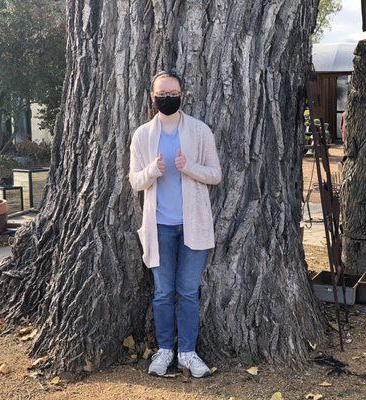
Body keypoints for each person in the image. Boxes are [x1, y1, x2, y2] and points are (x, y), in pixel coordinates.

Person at [128, 70, 222, 378]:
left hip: (193, 226)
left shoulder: (199, 131)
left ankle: (188, 353)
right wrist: (153, 170)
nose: (168, 99)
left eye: (173, 93)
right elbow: (135, 181)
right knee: (163, 292)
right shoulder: (143, 135)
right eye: (162, 94)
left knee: (188, 291)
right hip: (159, 228)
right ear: (152, 97)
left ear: (182, 94)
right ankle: (165, 350)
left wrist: (189, 167)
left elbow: (215, 175)